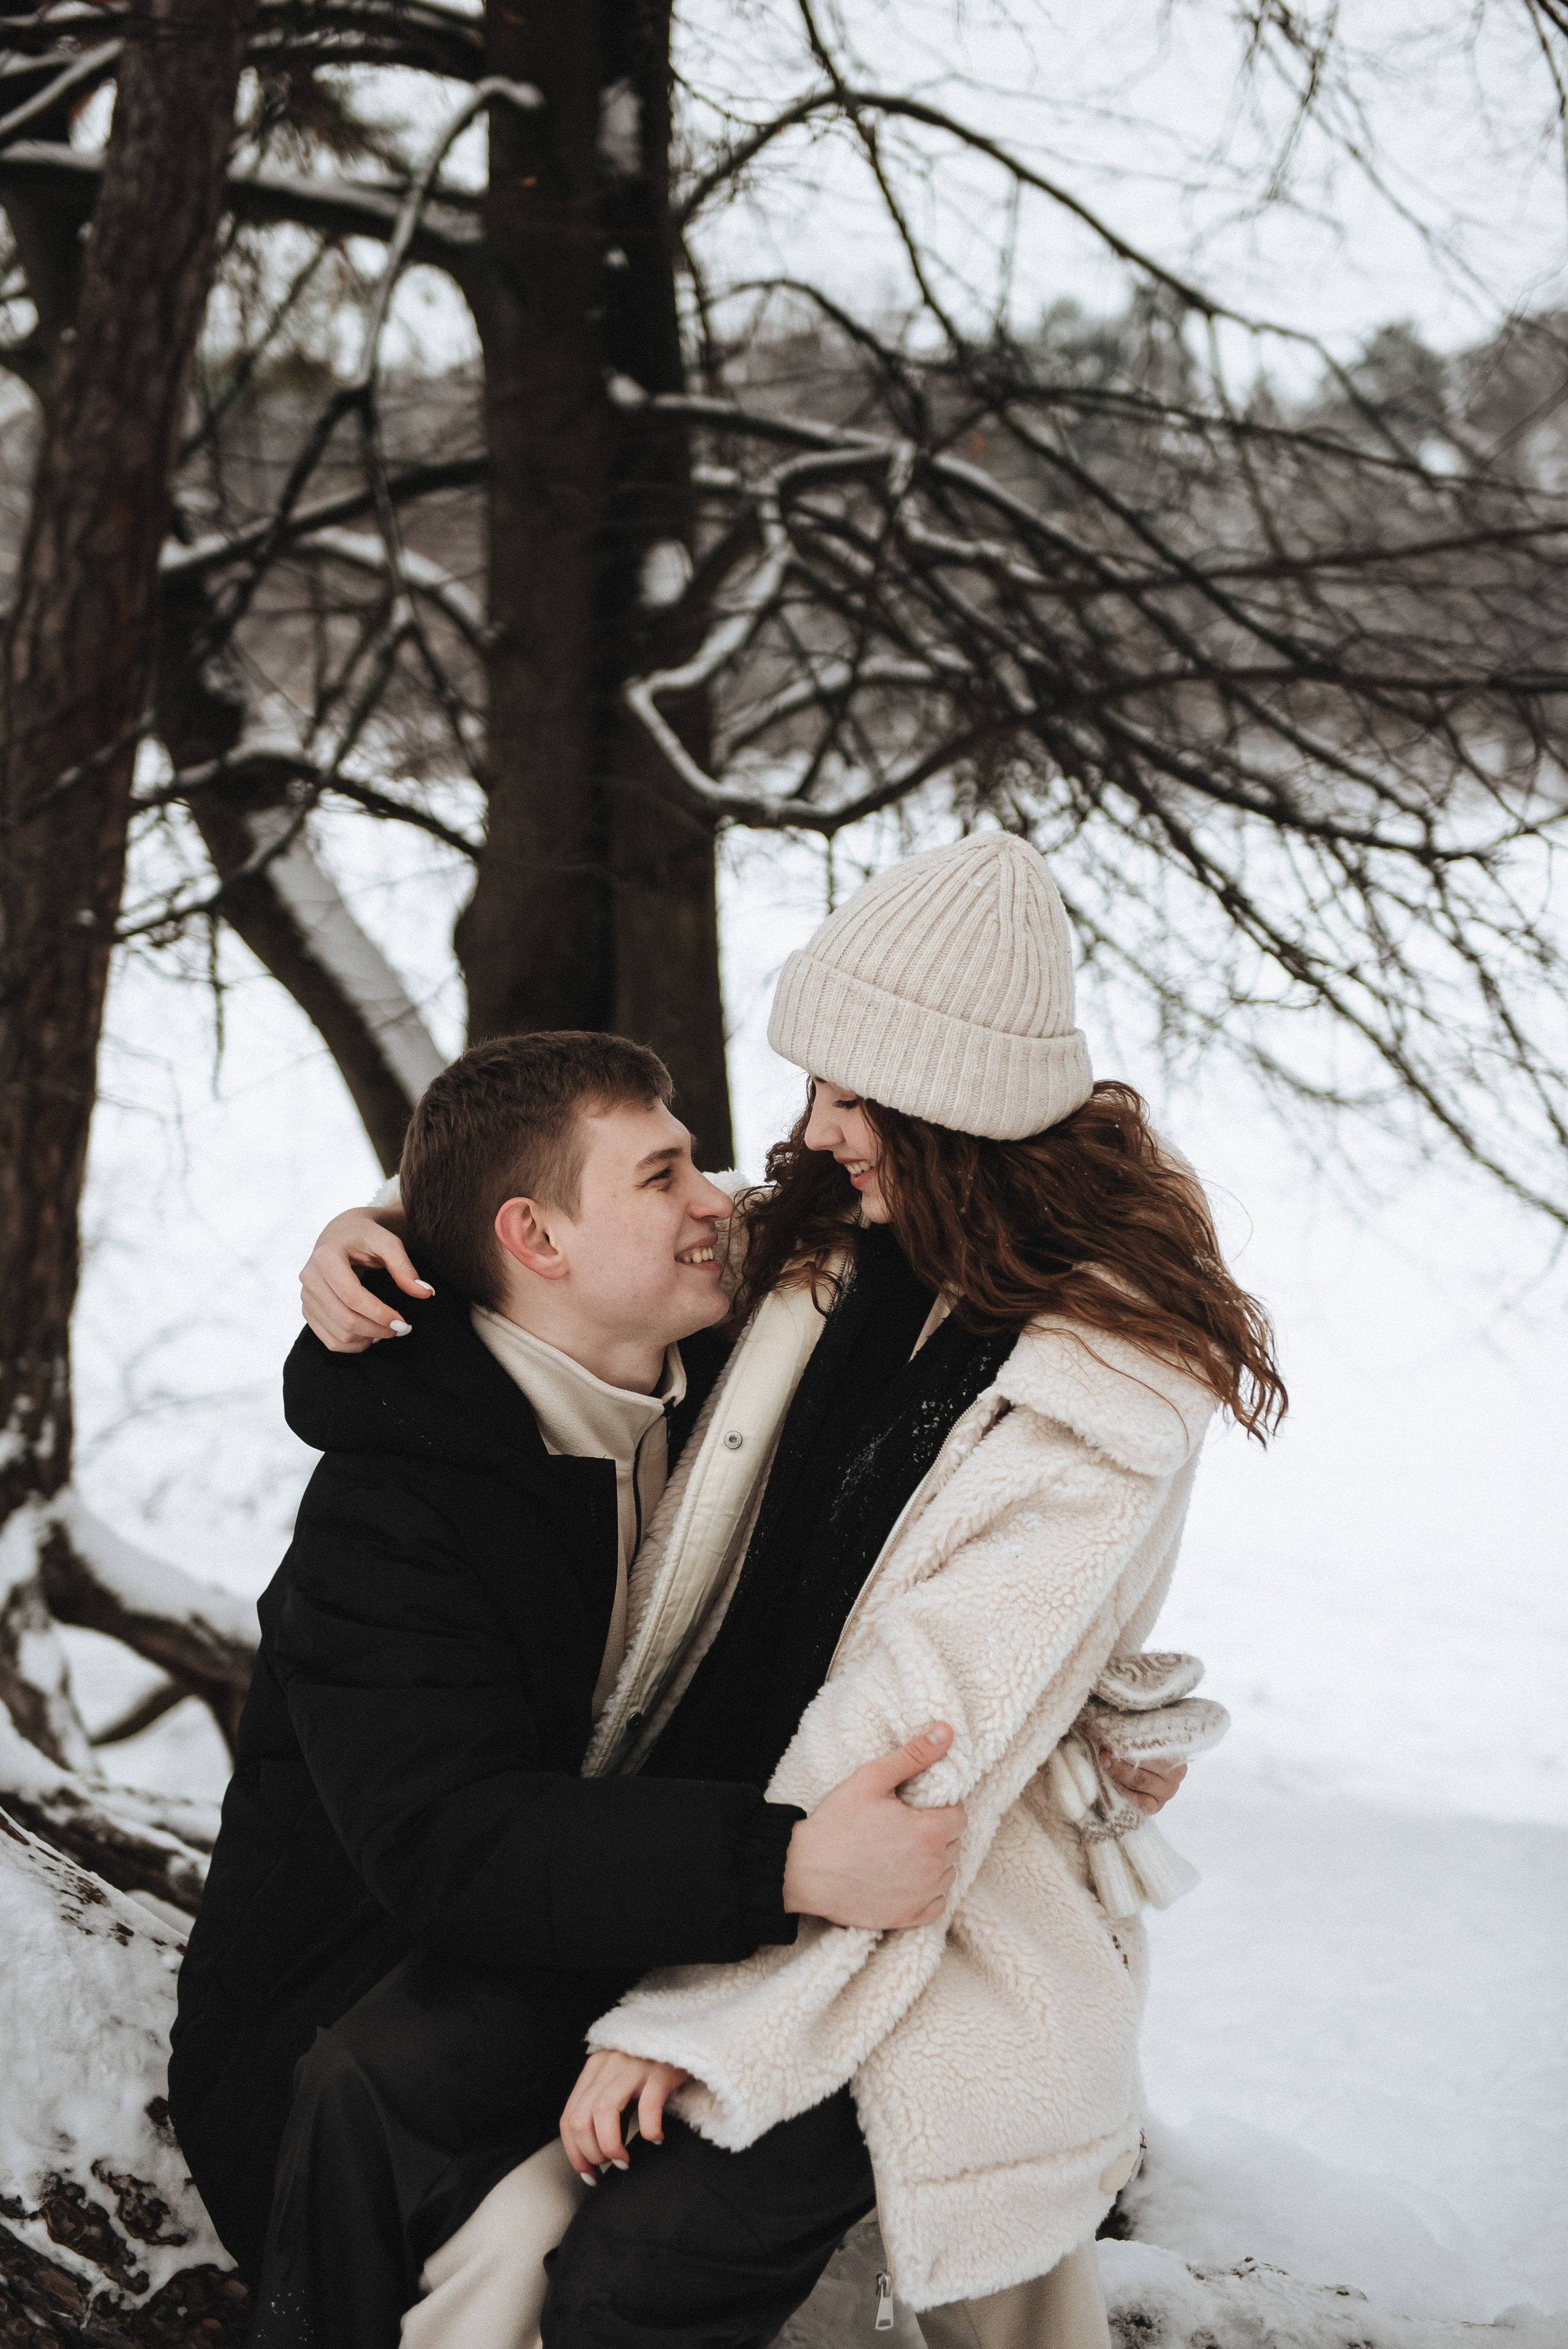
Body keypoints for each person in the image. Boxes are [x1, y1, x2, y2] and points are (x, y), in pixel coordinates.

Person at [293, 833, 1271, 2349]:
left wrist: (692, 2023)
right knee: (390, 2097)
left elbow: (915, 1720)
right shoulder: (827, 1236)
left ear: (947, 1109)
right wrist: (381, 1233)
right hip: (700, 1830)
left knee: (631, 2263)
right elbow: (569, 1239)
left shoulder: (1105, 1383)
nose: (809, 1131)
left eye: (845, 1096)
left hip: (897, 1899)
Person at [169, 1031, 978, 2349]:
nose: (716, 1197)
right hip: (349, 2043)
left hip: (589, 1969)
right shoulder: (388, 1509)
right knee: (528, 2268)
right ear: (536, 1242)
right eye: (662, 1175)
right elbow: (453, 1841)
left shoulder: (729, 1381)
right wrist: (785, 1861)